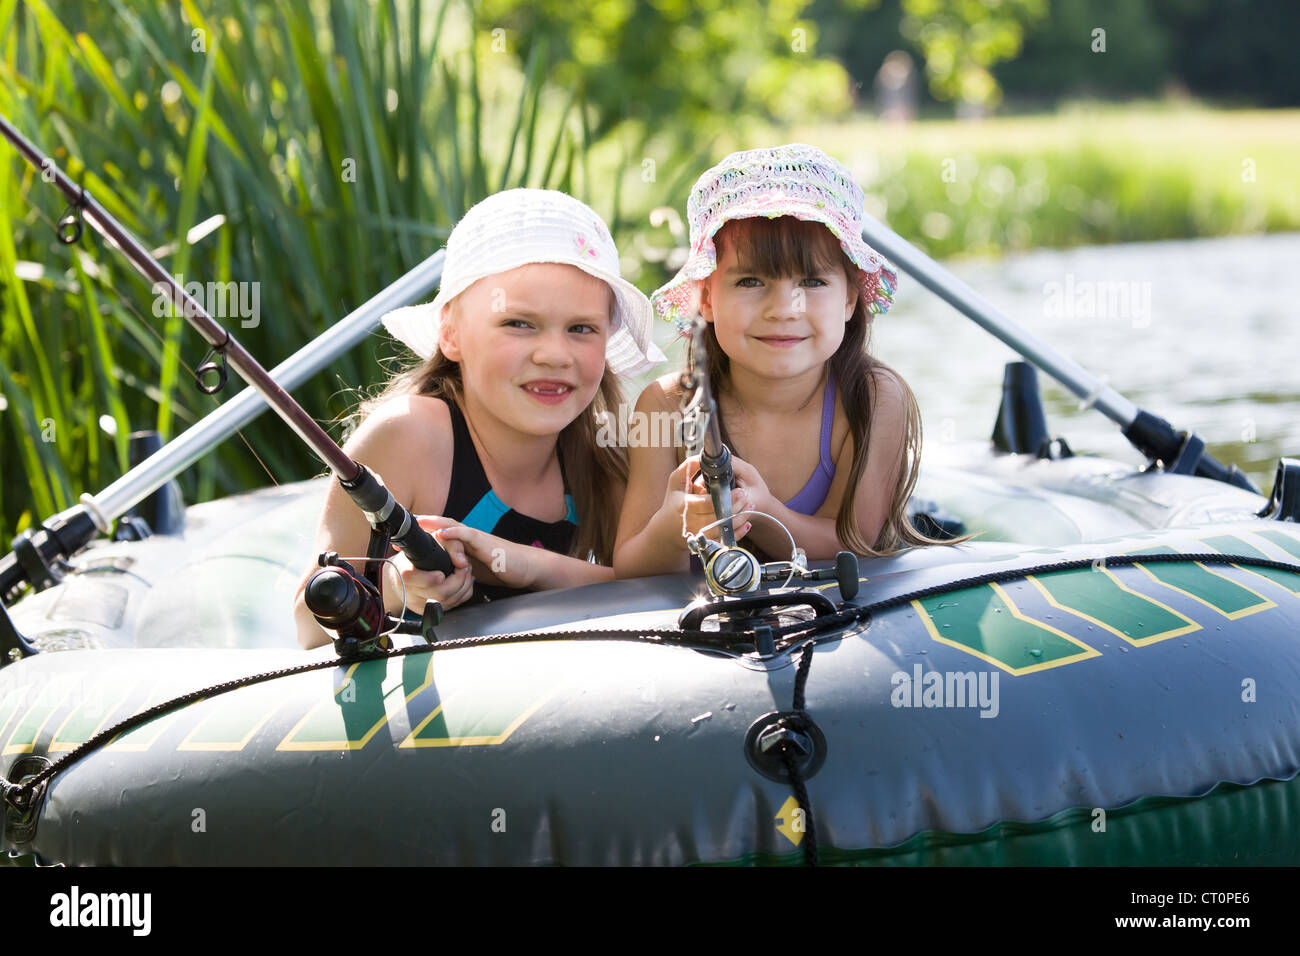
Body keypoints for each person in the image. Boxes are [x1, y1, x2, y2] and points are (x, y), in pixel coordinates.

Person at [295, 189, 663, 649]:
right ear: (450, 333)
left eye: (581, 329)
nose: (554, 355)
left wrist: (521, 563)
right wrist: (396, 587)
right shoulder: (410, 436)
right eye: (519, 324)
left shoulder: (603, 455)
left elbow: (650, 590)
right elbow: (308, 623)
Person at [614, 143, 953, 577]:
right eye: (751, 281)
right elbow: (627, 564)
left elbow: (854, 546)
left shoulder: (872, 399)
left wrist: (764, 510)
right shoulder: (665, 407)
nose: (784, 308)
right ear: (706, 297)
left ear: (849, 297)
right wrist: (674, 527)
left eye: (812, 280)